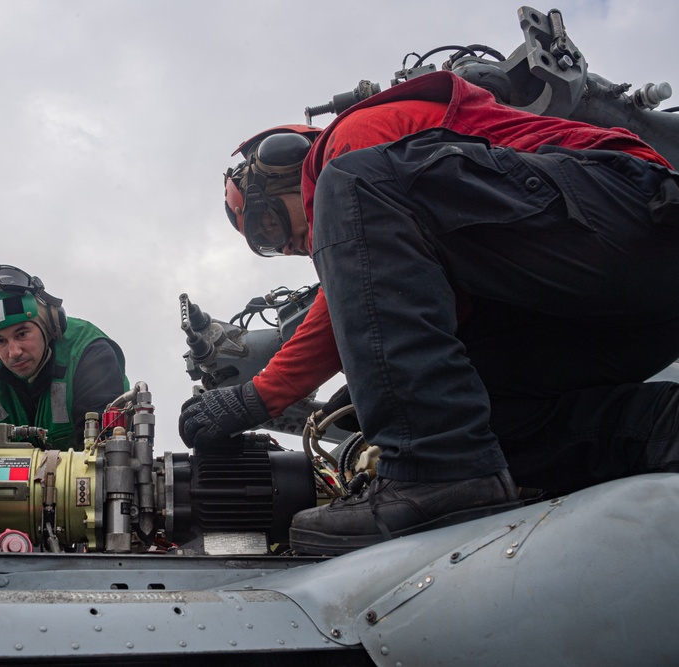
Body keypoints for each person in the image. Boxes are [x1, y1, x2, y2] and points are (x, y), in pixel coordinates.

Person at [179, 69, 679, 554]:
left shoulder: (352, 142)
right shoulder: (400, 218)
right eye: (268, 246)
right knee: (476, 411)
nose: (286, 245)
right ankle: (657, 430)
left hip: (632, 213)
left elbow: (342, 294)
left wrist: (258, 396)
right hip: (620, 302)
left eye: (269, 223)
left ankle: (438, 473)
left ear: (289, 164)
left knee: (352, 186)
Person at [0, 264, 128, 450]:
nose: (14, 352)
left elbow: (101, 459)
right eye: (0, 341)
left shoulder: (90, 356)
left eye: (22, 334)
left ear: (50, 324)